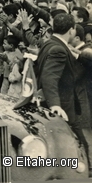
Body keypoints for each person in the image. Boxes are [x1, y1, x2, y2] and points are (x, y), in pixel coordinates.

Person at [35, 13, 89, 159]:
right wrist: (55, 105)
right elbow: (49, 77)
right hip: (63, 109)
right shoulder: (58, 49)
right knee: (79, 149)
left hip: (57, 106)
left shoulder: (49, 44)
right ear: (71, 30)